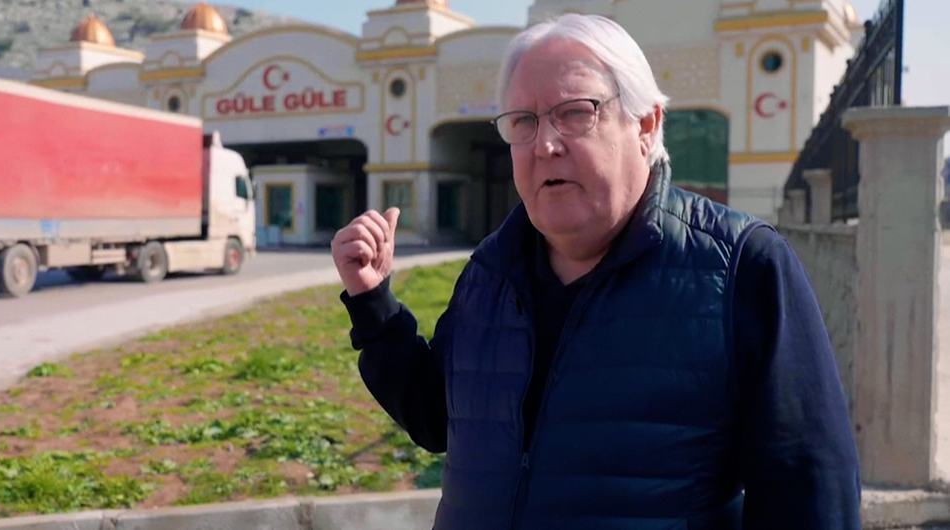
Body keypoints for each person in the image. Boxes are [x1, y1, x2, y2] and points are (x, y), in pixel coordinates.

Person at [330, 14, 860, 530]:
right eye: (524, 121)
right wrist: (375, 306)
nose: (545, 144)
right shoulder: (491, 273)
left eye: (575, 112)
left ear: (647, 126)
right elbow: (437, 417)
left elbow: (809, 490)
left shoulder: (739, 267)